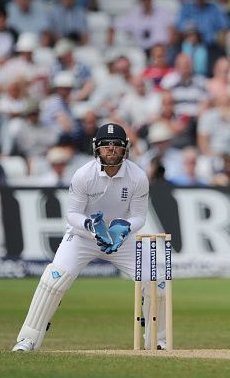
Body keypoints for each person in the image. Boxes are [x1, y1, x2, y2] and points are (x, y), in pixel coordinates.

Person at [12, 123, 163, 351]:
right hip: (83, 237)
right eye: (106, 145)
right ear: (97, 148)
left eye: (116, 146)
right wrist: (91, 226)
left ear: (125, 149)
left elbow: (139, 217)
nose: (111, 150)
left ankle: (156, 343)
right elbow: (72, 214)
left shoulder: (138, 176)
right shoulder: (84, 175)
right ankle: (28, 340)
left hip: (121, 240)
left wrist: (122, 228)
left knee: (156, 280)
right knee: (54, 278)